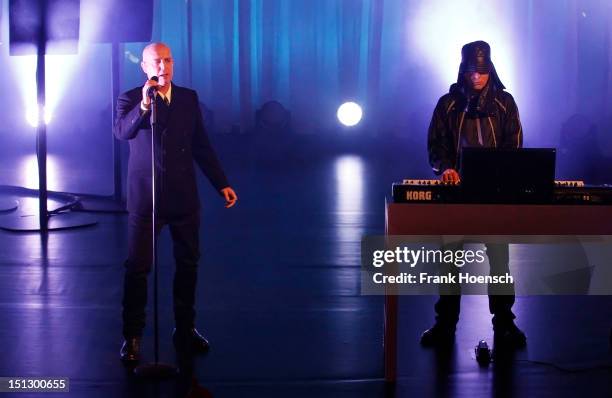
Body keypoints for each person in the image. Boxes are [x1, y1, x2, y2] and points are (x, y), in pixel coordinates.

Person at [114, 42, 238, 362]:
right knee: (138, 268)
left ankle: (185, 329)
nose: (163, 67)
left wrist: (220, 183)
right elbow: (122, 132)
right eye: (156, 61)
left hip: (184, 197)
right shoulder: (130, 98)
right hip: (146, 199)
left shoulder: (188, 98)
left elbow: (201, 145)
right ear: (144, 67)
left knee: (188, 264)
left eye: (168, 60)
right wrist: (143, 106)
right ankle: (133, 336)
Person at [422, 41, 526, 349]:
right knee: (450, 260)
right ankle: (445, 324)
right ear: (463, 71)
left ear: (489, 69)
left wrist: (501, 173)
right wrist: (445, 169)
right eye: (471, 71)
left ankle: (505, 323)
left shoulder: (505, 103)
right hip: (456, 192)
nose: (476, 77)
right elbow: (436, 144)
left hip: (494, 193)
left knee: (499, 260)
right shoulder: (448, 104)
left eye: (481, 71)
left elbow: (515, 144)